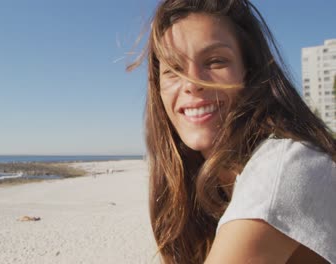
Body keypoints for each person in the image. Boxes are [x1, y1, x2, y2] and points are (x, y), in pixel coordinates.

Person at [127, 0, 336, 263]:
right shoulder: (209, 183)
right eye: (174, 69)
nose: (192, 83)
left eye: (215, 62)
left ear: (248, 74)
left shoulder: (284, 169)